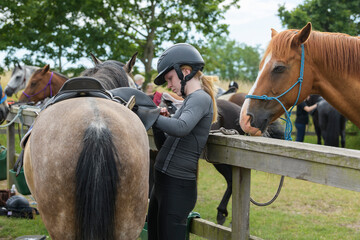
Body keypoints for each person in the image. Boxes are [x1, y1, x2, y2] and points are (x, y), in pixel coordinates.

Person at [147, 43, 218, 240]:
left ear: (185, 71)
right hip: (162, 182)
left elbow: (181, 128)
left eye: (170, 78)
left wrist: (150, 116)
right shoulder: (188, 100)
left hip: (177, 186)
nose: (169, 85)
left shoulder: (200, 98)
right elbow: (166, 146)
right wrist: (157, 124)